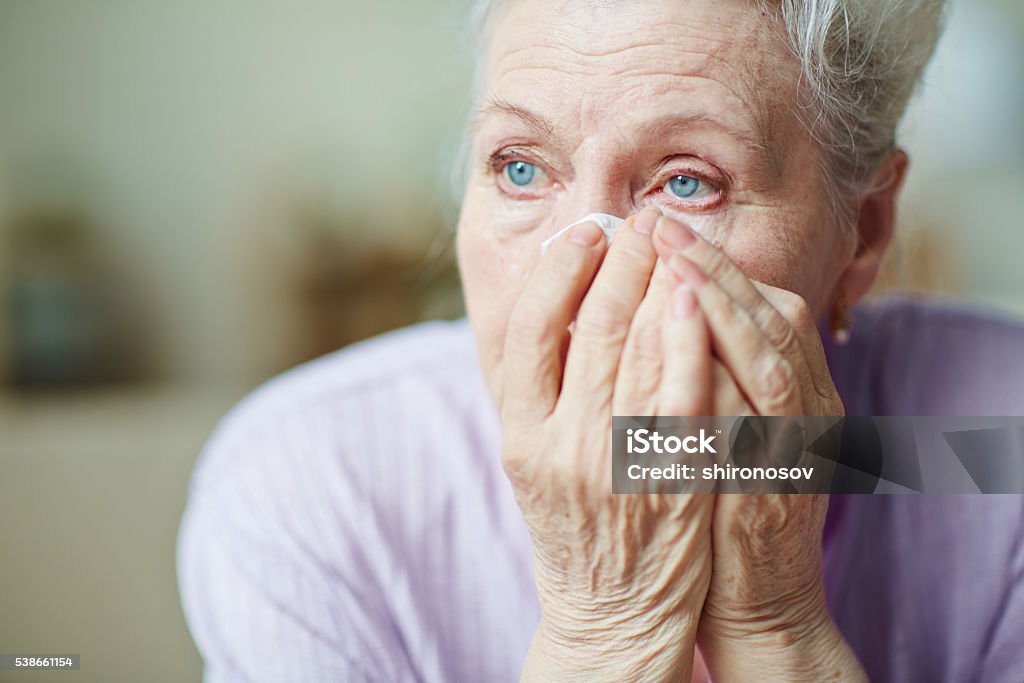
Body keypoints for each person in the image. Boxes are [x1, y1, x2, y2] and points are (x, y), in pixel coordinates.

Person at [177, 0, 1024, 680]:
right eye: (519, 167)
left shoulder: (994, 446)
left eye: (686, 181)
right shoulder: (312, 484)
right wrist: (602, 632)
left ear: (865, 229)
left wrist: (778, 630)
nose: (580, 273)